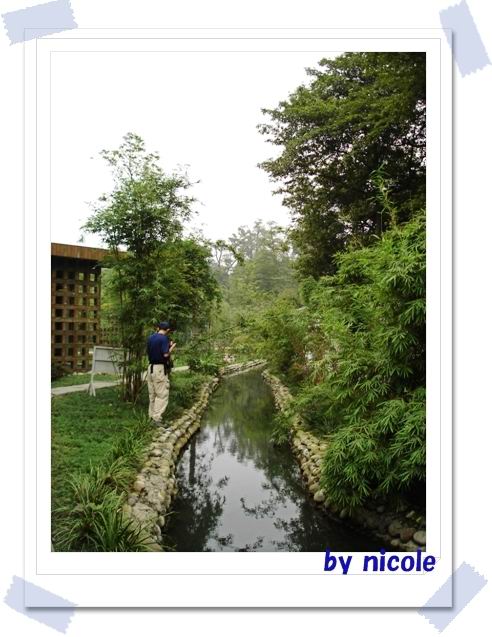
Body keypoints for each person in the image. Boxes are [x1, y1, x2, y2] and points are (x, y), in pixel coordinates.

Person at [146, 321, 176, 427]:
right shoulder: (164, 339)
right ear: (167, 330)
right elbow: (165, 354)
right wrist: (171, 347)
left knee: (152, 394)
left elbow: (149, 351)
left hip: (150, 368)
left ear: (158, 328)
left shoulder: (150, 338)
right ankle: (157, 419)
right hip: (159, 369)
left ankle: (151, 417)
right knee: (162, 395)